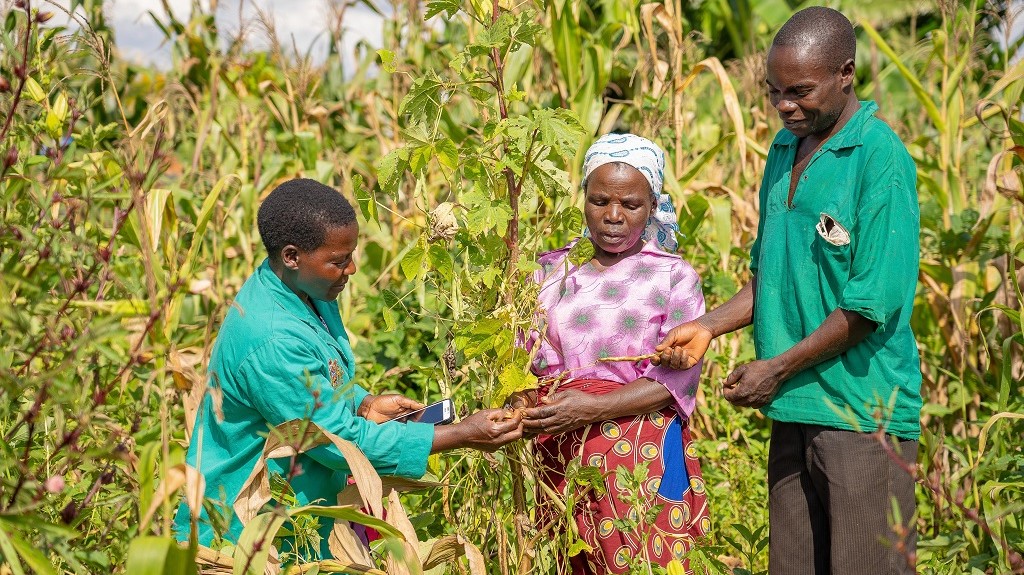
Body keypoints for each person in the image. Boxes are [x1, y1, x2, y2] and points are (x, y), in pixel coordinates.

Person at [653, 7, 921, 575]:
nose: (784, 106)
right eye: (774, 91)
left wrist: (775, 368)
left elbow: (869, 307)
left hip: (862, 415)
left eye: (799, 92)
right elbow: (770, 276)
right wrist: (707, 327)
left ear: (845, 74)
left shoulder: (879, 158)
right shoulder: (783, 150)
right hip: (794, 408)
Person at [174, 178, 524, 558]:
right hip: (245, 534)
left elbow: (311, 379)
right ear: (292, 256)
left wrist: (363, 402)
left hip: (297, 514)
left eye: (352, 255)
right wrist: (460, 435)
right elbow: (338, 442)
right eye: (339, 261)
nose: (352, 269)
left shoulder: (299, 287)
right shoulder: (271, 338)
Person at [510, 134, 709, 574]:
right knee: (575, 559)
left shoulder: (673, 277)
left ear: (653, 205)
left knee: (646, 558)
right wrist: (521, 403)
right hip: (562, 448)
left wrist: (594, 408)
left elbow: (674, 383)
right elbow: (526, 363)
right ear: (583, 199)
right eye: (599, 201)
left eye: (631, 205)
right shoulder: (550, 271)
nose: (613, 216)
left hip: (641, 450)